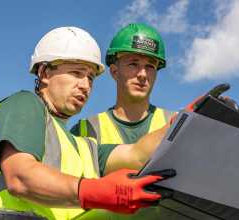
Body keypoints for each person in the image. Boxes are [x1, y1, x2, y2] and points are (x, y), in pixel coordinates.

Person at [0, 26, 175, 220]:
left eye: (90, 78)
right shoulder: (25, 104)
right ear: (45, 73)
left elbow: (138, 154)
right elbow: (20, 177)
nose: (85, 85)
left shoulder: (85, 147)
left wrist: (185, 121)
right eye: (76, 73)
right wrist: (95, 191)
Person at [70, 23, 175, 219]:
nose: (142, 74)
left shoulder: (175, 124)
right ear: (114, 71)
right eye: (133, 64)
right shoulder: (85, 130)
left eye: (150, 66)